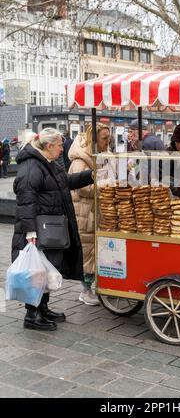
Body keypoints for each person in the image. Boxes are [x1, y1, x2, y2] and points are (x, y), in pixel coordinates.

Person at [11, 128, 94, 331]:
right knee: (35, 272)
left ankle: (43, 308)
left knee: (46, 269)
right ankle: (32, 315)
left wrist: (91, 175)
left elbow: (67, 182)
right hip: (36, 230)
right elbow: (26, 201)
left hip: (50, 229)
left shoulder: (50, 164)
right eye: (59, 146)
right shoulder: (32, 167)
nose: (61, 149)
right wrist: (30, 232)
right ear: (49, 146)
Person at [68, 123, 111, 305]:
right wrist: (107, 185)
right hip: (84, 214)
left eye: (109, 137)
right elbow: (83, 188)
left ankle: (96, 286)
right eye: (104, 138)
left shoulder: (102, 157)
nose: (108, 141)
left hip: (96, 211)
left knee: (96, 251)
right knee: (87, 252)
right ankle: (85, 290)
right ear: (93, 140)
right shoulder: (80, 161)